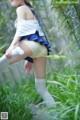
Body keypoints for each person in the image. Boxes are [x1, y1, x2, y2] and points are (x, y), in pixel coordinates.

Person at [0, 0, 55, 107]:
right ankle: (57, 116)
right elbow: (32, 31)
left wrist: (12, 46)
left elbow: (21, 30)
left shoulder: (20, 8)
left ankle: (16, 51)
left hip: (30, 44)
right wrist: (29, 60)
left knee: (2, 63)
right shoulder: (30, 9)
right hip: (40, 47)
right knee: (41, 89)